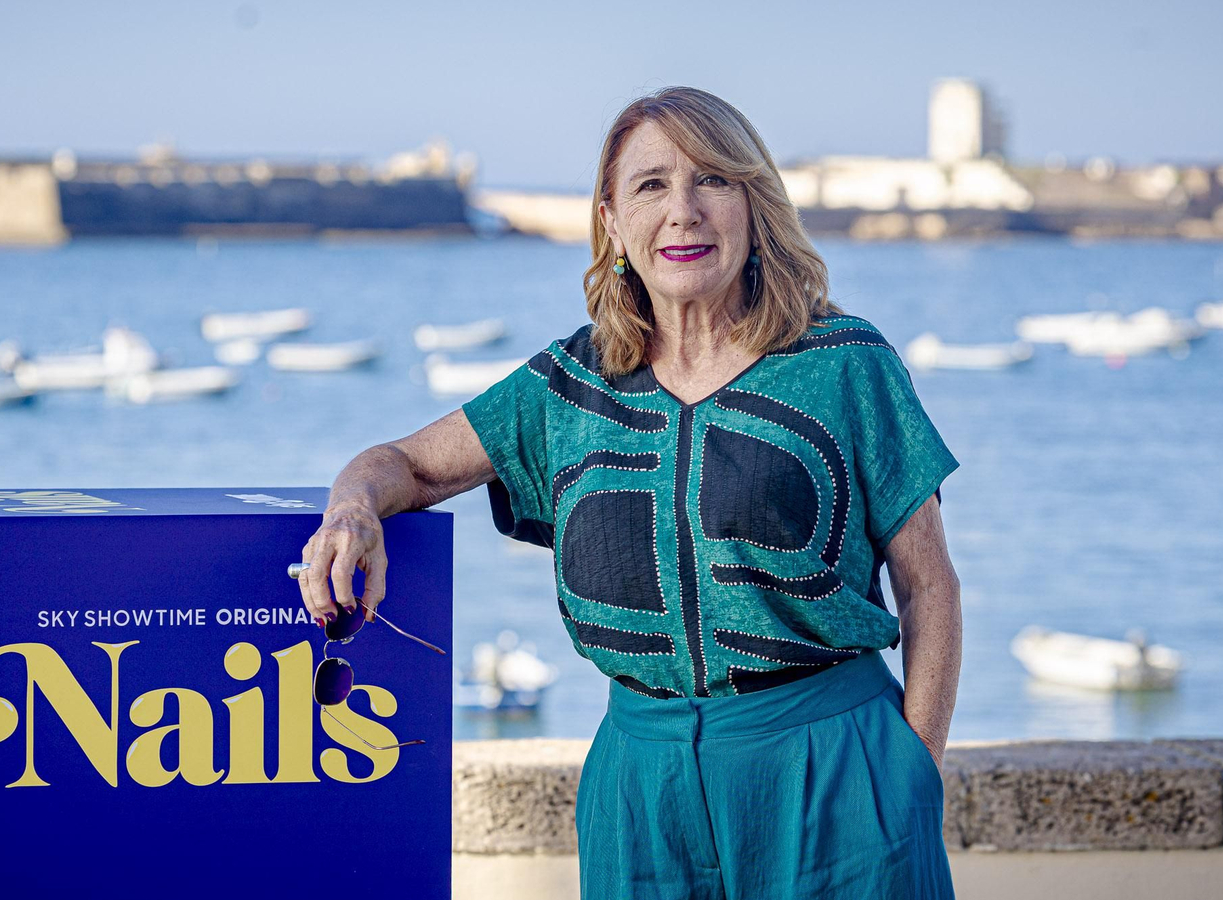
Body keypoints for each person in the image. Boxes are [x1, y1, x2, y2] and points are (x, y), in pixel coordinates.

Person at [294, 85, 961, 899]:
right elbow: (407, 462)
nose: (683, 211)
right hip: (640, 790)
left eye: (712, 179)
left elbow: (928, 584)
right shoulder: (569, 386)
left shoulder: (844, 361)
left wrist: (912, 776)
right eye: (651, 185)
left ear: (754, 205)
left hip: (835, 772)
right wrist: (353, 509)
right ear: (612, 222)